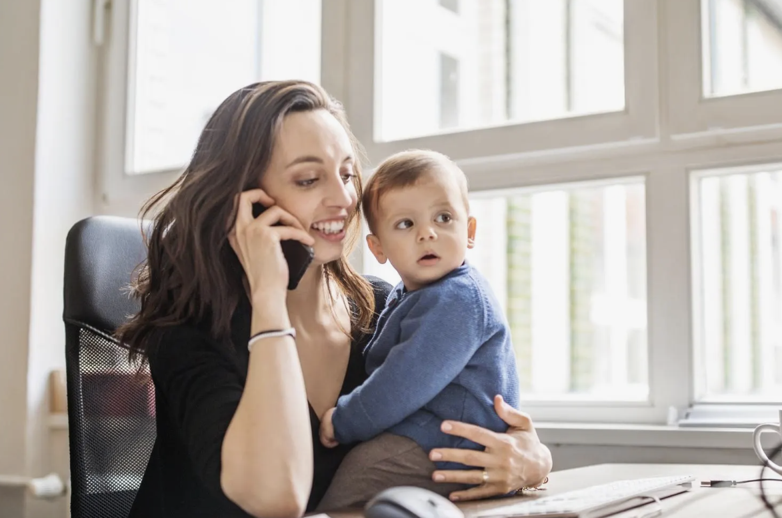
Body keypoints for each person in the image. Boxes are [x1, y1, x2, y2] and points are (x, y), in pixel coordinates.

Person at [117, 80, 553, 518]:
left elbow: (469, 424)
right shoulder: (190, 330)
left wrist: (532, 460)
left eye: (347, 174)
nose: (345, 199)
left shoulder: (384, 309)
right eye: (308, 179)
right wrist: (268, 298)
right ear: (242, 205)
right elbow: (276, 498)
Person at [316, 150, 520, 510]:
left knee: (352, 485)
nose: (427, 233)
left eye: (443, 218)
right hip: (434, 439)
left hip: (448, 445)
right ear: (378, 247)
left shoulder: (457, 299)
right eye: (405, 224)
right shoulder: (409, 294)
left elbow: (402, 381)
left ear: (469, 231)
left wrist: (344, 421)